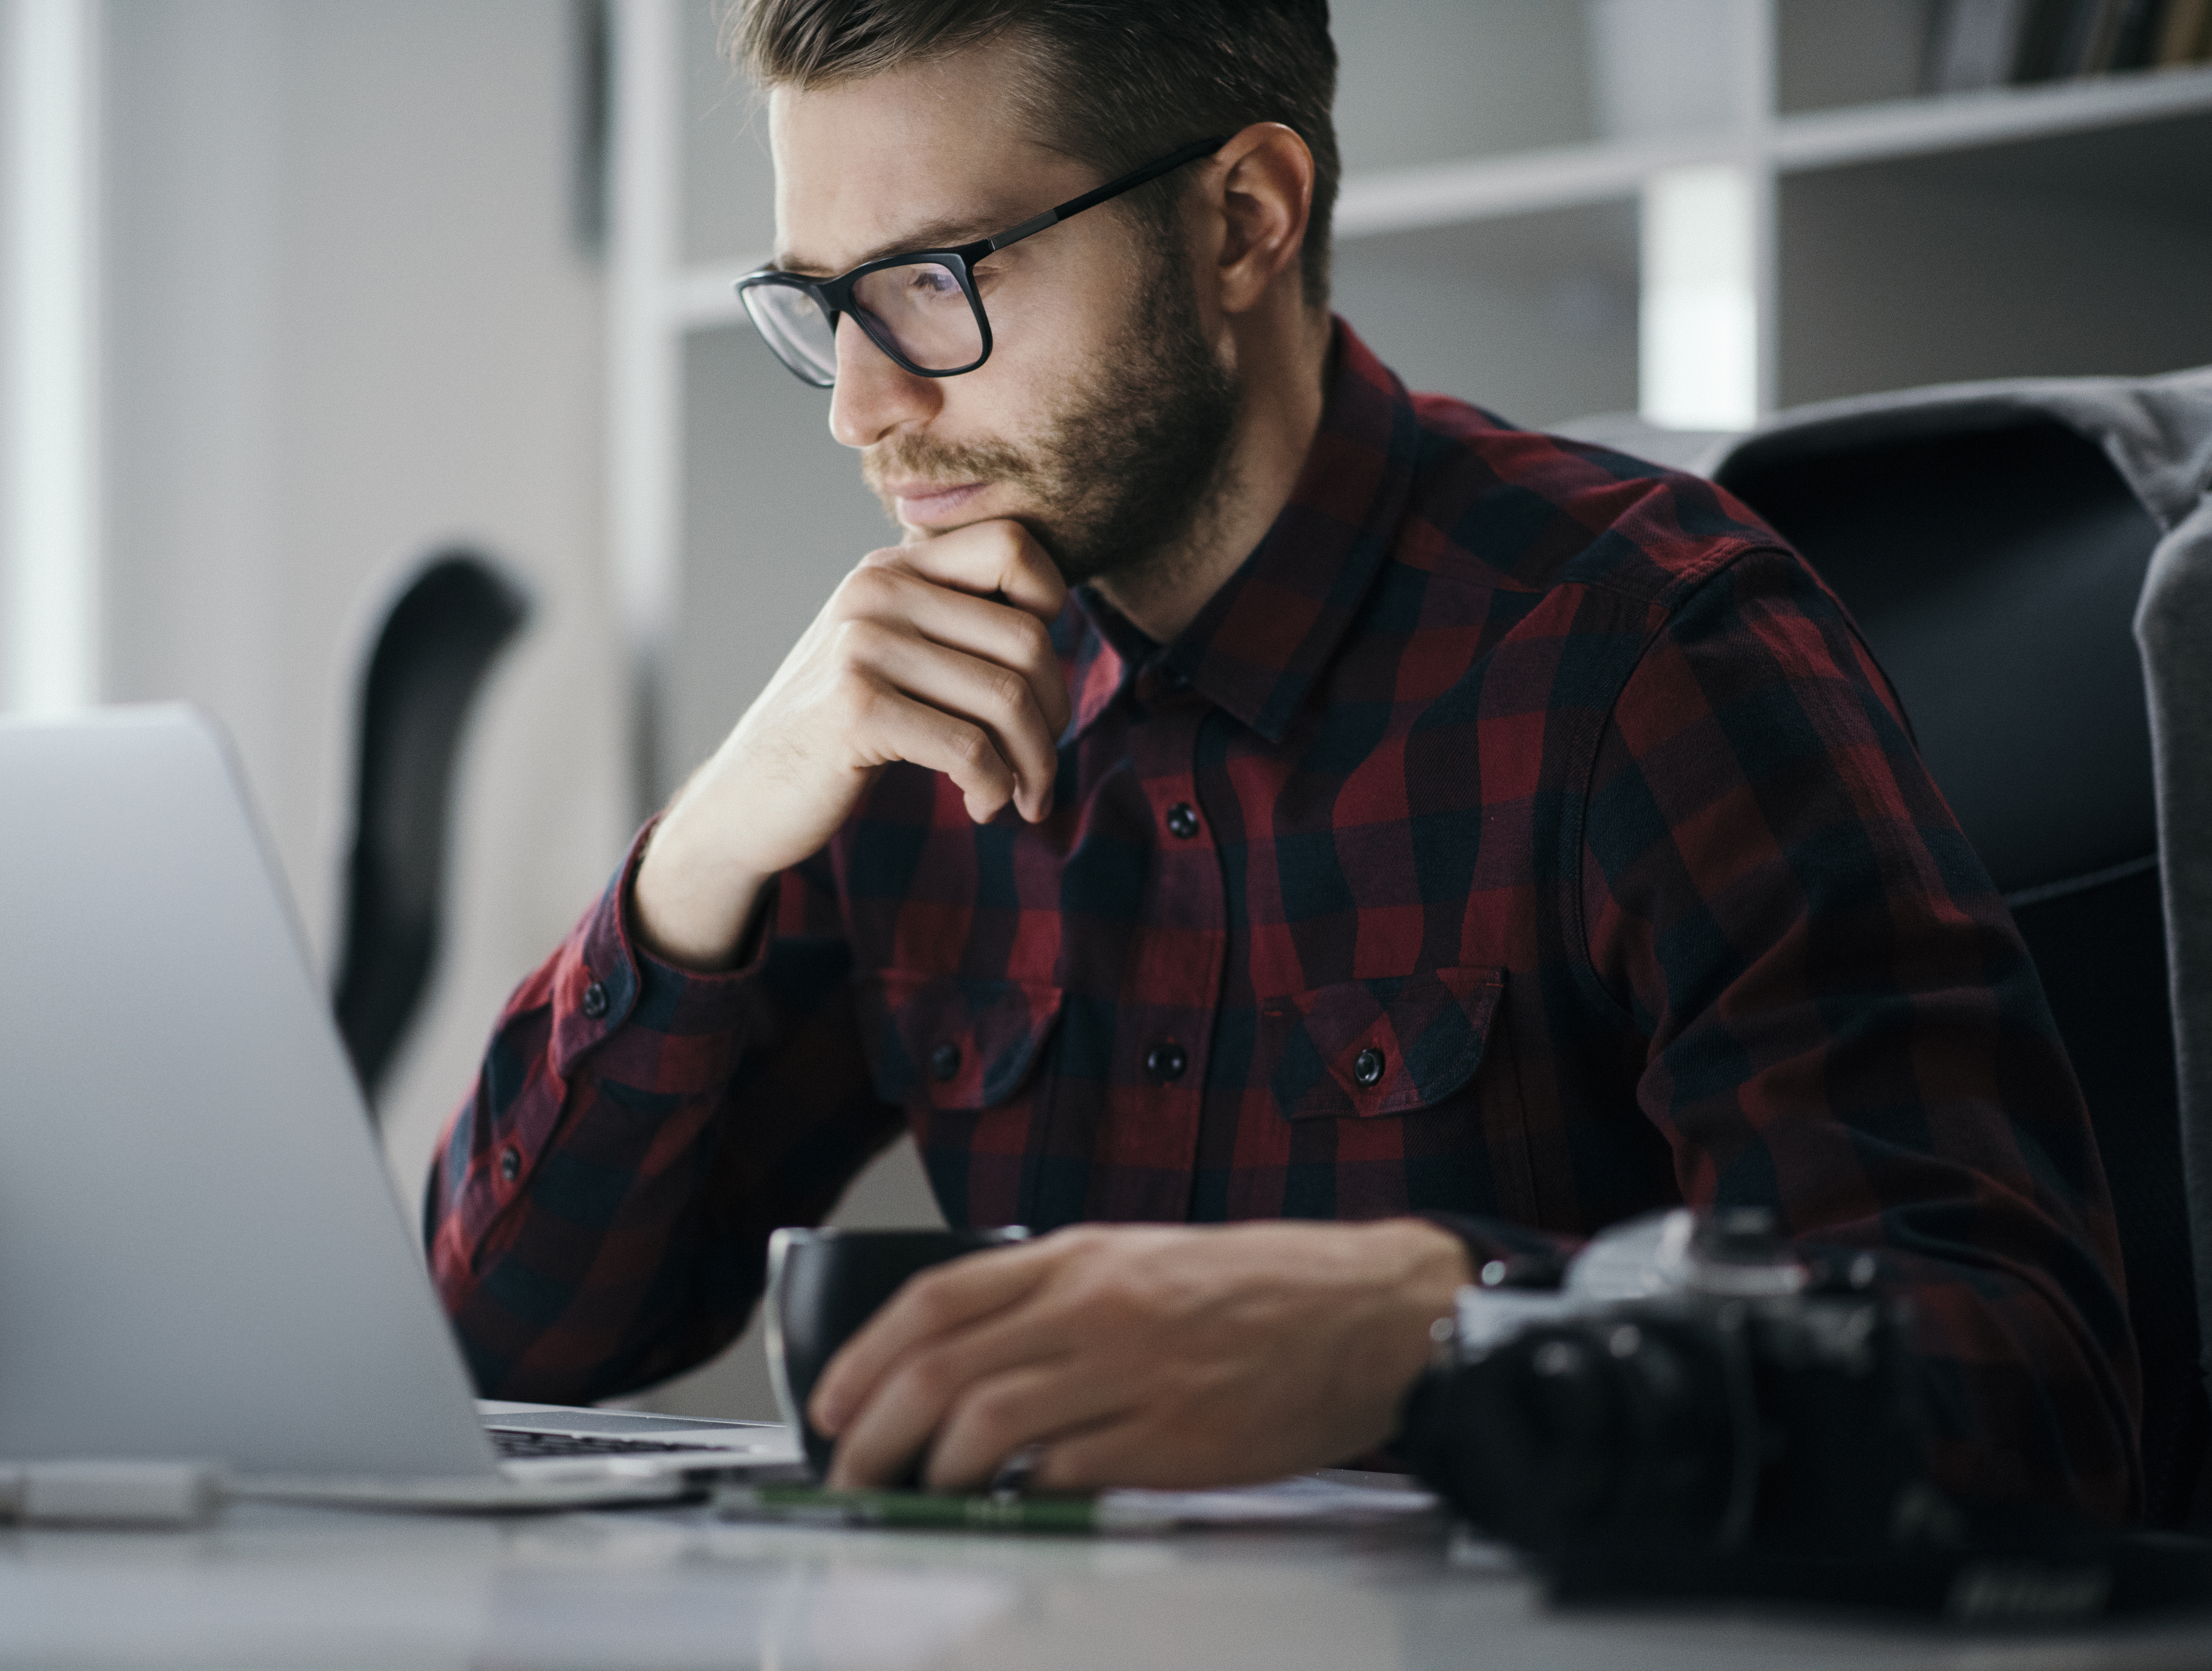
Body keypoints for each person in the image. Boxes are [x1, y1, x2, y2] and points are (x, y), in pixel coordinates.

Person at [430, 0, 2139, 1520]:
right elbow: (508, 1342)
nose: (859, 409)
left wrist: (1432, 1327)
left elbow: (2023, 1384)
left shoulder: (1652, 653)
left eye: (935, 281)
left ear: (1243, 218)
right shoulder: (902, 720)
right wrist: (701, 858)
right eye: (822, 303)